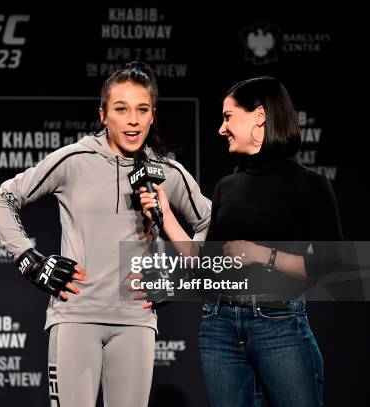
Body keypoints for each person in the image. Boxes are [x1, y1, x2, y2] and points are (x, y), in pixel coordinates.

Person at [0, 62, 211, 407]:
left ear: (153, 116)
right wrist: (30, 261)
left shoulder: (167, 171)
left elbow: (210, 225)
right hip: (76, 316)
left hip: (135, 321)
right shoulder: (75, 159)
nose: (132, 120)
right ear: (103, 114)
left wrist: (177, 280)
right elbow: (1, 200)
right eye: (121, 109)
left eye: (142, 109)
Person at [139, 76, 343, 406]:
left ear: (259, 116)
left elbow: (332, 266)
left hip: (278, 325)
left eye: (228, 117)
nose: (221, 129)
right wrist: (167, 215)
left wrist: (262, 254)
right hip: (218, 327)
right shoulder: (227, 187)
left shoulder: (311, 186)